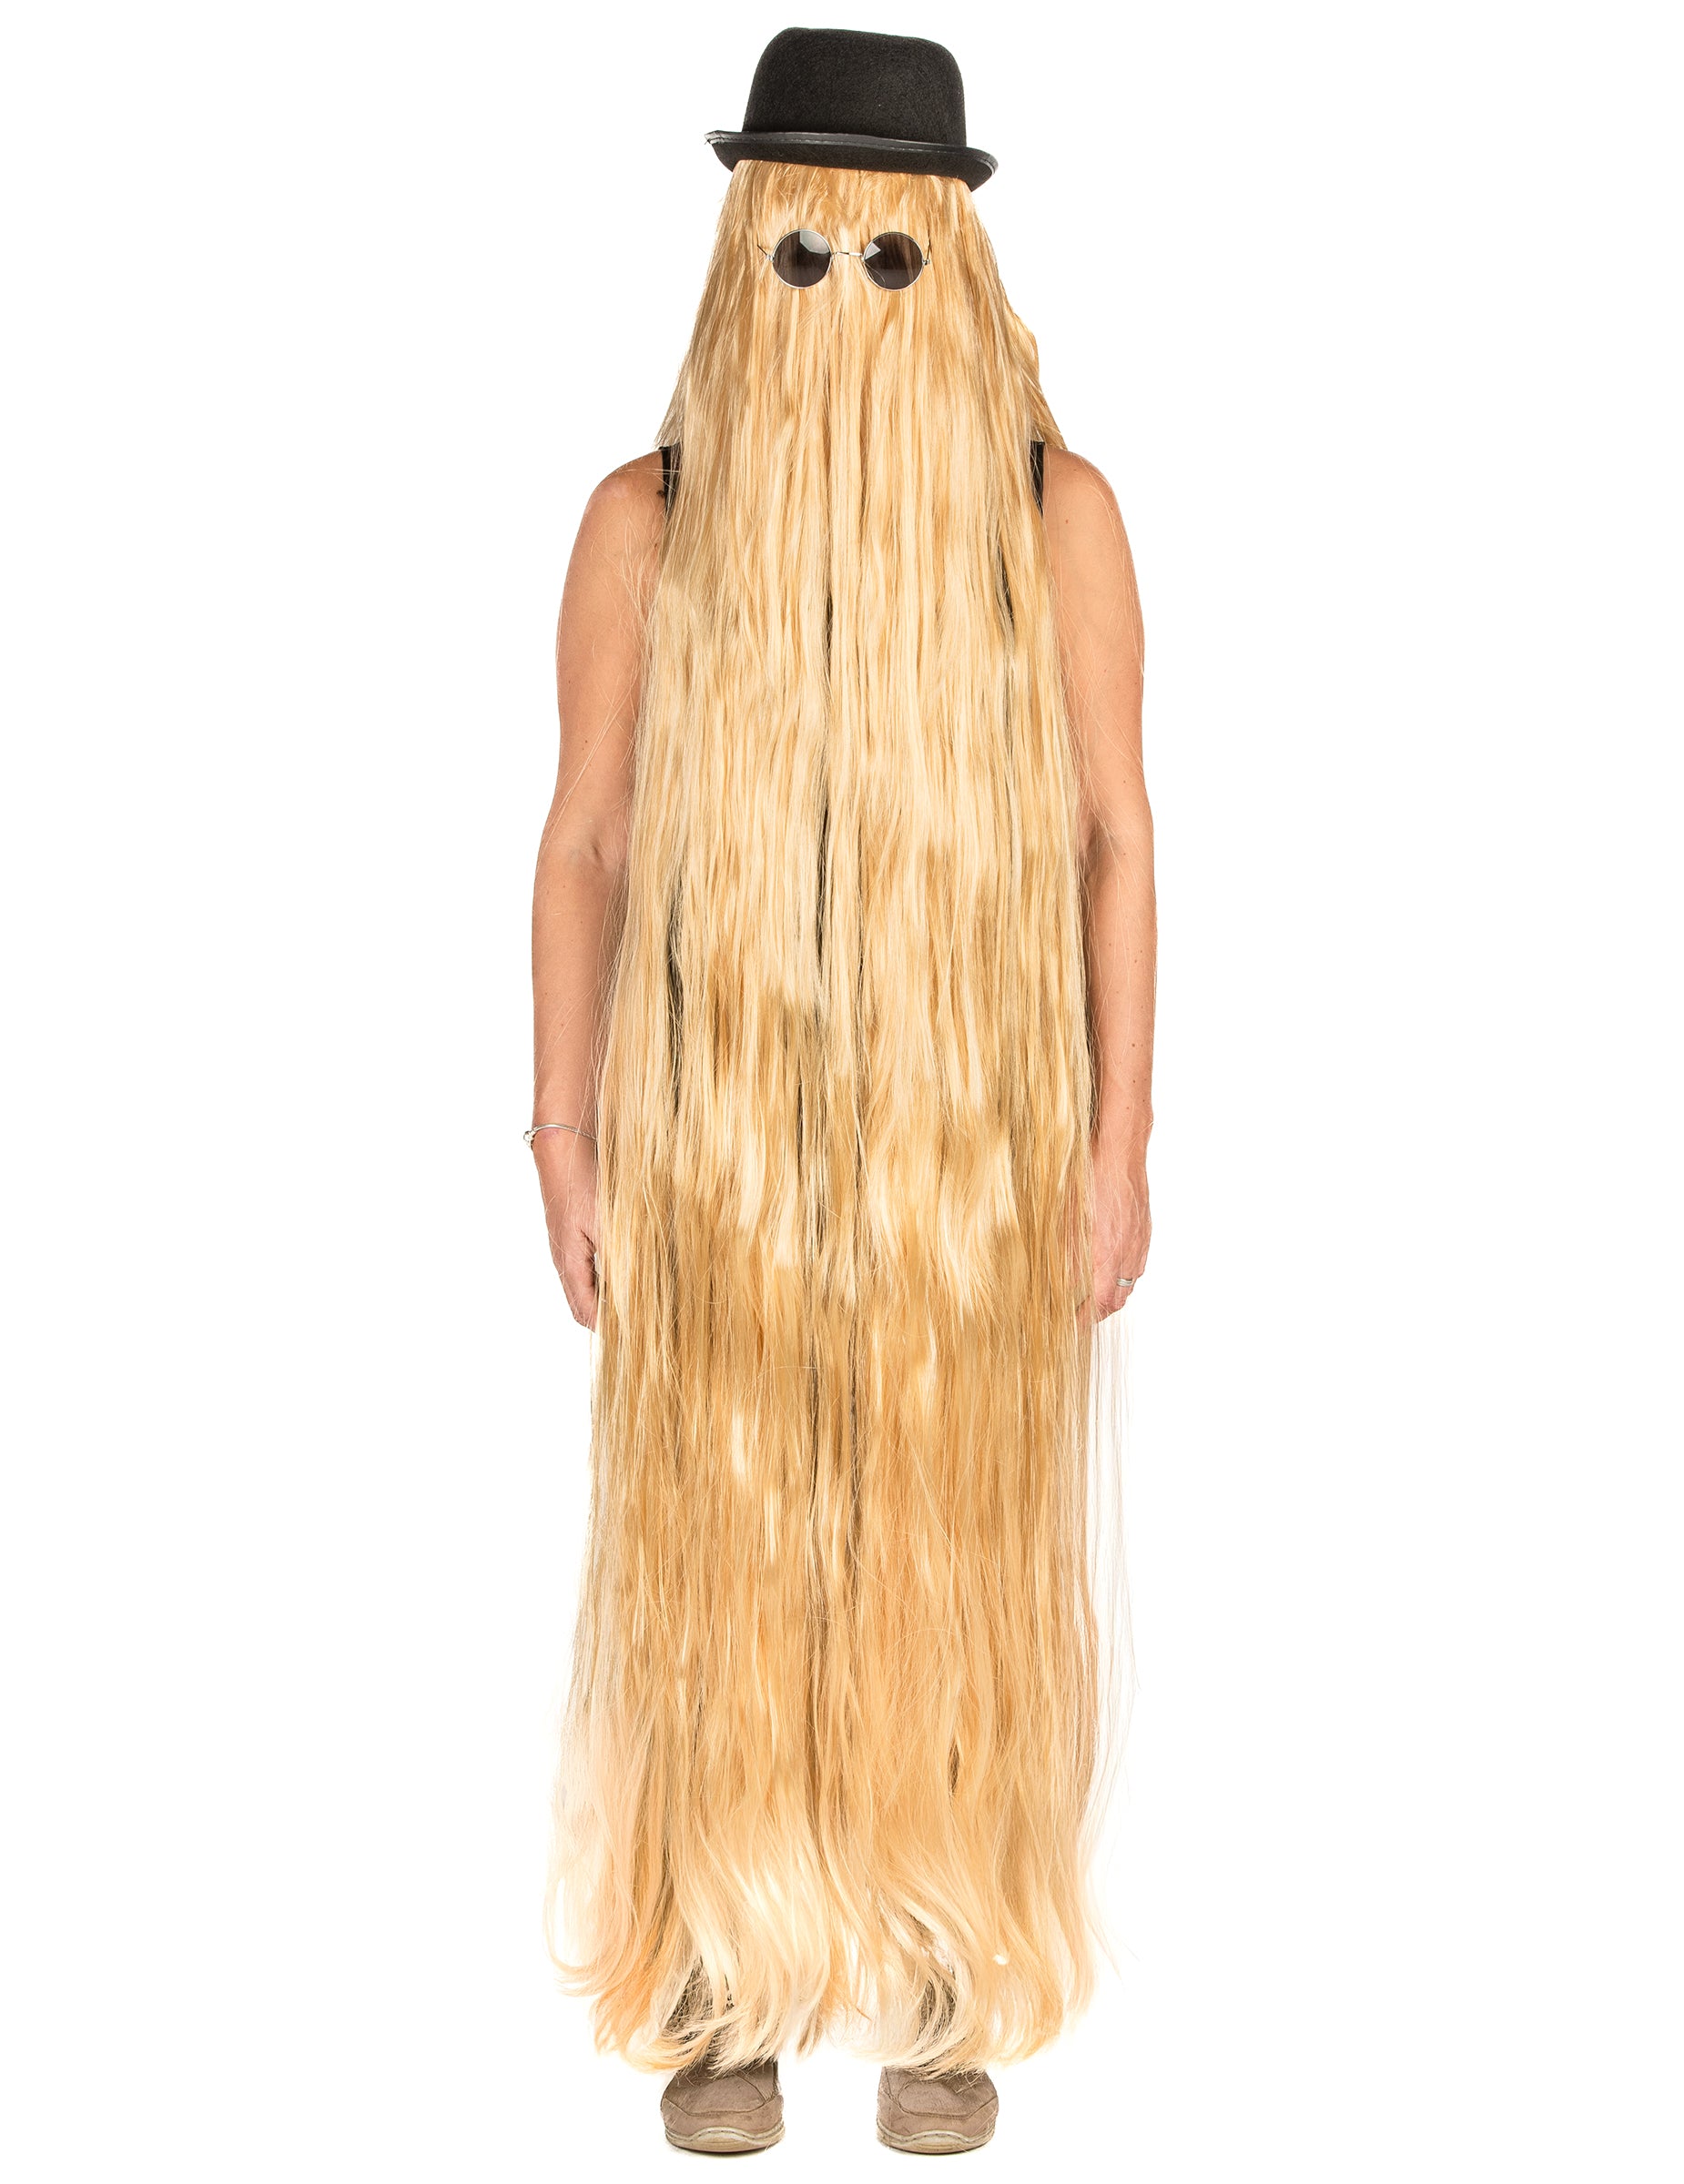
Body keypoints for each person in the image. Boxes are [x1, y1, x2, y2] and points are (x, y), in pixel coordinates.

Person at [530, 29, 1153, 2158]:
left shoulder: (1053, 522)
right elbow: (585, 841)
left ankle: (940, 1975)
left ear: (955, 266)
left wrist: (1116, 1145)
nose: (844, 296)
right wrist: (563, 1134)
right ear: (741, 258)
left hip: (971, 1146)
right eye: (800, 253)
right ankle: (720, 1981)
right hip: (713, 1142)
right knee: (722, 1545)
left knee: (948, 1548)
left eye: (891, 258)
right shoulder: (647, 527)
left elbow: (1114, 838)